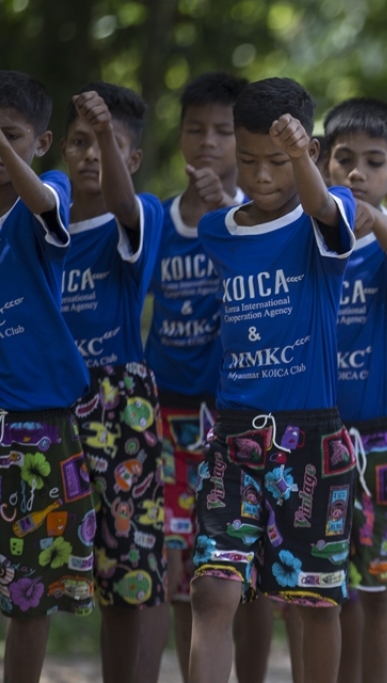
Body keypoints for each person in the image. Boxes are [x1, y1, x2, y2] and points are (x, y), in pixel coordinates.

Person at [189, 77, 358, 683]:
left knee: (313, 602)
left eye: (279, 161)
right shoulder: (219, 230)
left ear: (307, 151)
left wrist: (304, 162)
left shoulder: (327, 220)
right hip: (233, 437)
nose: (262, 176)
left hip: (311, 439)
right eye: (250, 160)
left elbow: (322, 208)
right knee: (213, 592)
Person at [0, 71, 96, 683]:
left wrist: (1, 141)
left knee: (31, 596)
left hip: (44, 428)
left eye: (7, 135)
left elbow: (44, 203)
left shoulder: (50, 194)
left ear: (40, 142)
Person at [142, 70, 276, 683]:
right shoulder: (157, 220)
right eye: (195, 129)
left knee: (243, 569)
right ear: (178, 138)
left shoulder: (257, 220)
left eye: (223, 131)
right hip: (169, 412)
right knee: (182, 568)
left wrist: (227, 215)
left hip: (238, 414)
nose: (208, 142)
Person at [57, 81, 167, 683]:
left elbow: (125, 209)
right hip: (48, 402)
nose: (91, 154)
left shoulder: (142, 214)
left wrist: (102, 125)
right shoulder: (39, 226)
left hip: (121, 406)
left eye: (106, 144)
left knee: (126, 568)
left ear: (132, 158)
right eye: (79, 142)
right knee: (40, 569)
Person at [317, 97, 387, 683]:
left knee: (380, 589)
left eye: (373, 161)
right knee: (320, 594)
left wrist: (370, 216)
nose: (357, 172)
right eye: (343, 160)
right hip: (314, 439)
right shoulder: (305, 241)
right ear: (320, 162)